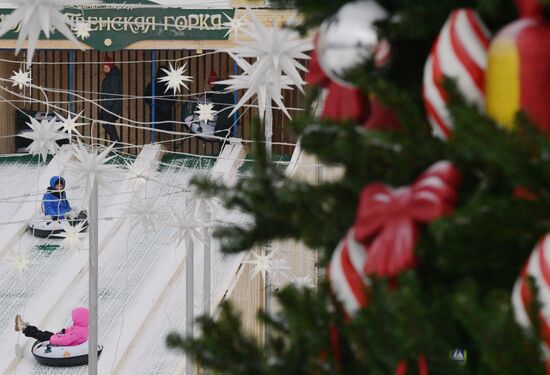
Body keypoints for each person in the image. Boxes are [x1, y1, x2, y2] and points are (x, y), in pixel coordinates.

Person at [15, 307, 89, 346]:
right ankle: (26, 327)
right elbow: (71, 330)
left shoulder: (78, 332)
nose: (73, 319)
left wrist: (52, 340)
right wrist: (64, 331)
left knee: (40, 334)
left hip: (57, 342)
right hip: (57, 337)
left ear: (79, 319)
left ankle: (23, 328)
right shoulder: (82, 327)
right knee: (44, 333)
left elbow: (65, 341)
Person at [145, 66, 176, 143]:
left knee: (154, 138)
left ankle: (156, 153)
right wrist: (166, 105)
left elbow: (147, 98)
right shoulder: (170, 85)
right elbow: (174, 98)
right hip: (166, 114)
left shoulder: (153, 84)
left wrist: (154, 105)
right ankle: (167, 154)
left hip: (155, 114)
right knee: (166, 138)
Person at [206, 71, 235, 142]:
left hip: (225, 117)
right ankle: (229, 149)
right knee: (227, 135)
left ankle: (226, 150)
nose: (210, 87)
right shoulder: (222, 87)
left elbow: (217, 105)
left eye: (210, 85)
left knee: (220, 133)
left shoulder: (217, 89)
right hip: (232, 117)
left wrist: (206, 110)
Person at [99, 54, 122, 142]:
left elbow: (115, 93)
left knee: (107, 123)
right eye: (104, 67)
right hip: (109, 106)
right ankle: (116, 144)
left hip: (112, 107)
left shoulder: (113, 77)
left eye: (107, 66)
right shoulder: (109, 77)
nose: (105, 68)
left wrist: (107, 105)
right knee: (106, 123)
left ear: (111, 67)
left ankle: (117, 144)